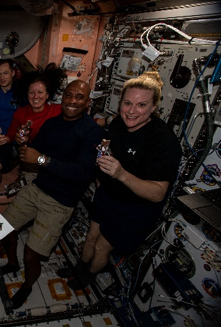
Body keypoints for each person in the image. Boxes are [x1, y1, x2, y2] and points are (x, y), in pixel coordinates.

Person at [63, 72, 182, 290]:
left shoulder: (163, 141)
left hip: (134, 209)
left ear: (154, 107)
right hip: (108, 195)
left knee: (101, 247)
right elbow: (108, 137)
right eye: (127, 103)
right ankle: (79, 268)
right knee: (91, 237)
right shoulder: (119, 121)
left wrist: (121, 174)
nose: (132, 111)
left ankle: (87, 276)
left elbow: (157, 193)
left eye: (141, 105)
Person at [0, 80, 105, 309]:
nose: (73, 101)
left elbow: (83, 173)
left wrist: (42, 160)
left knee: (31, 254)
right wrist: (23, 145)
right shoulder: (53, 123)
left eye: (80, 97)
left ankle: (26, 286)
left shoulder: (92, 132)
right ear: (61, 97)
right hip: (37, 188)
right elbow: (35, 151)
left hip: (60, 202)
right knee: (4, 229)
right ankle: (12, 264)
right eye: (69, 95)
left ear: (87, 102)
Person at [0, 64, 66, 198]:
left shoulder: (58, 110)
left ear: (48, 94)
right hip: (32, 157)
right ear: (27, 95)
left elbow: (80, 119)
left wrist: (106, 121)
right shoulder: (21, 113)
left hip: (55, 158)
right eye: (32, 93)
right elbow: (11, 134)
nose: (35, 96)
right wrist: (9, 139)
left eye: (40, 92)